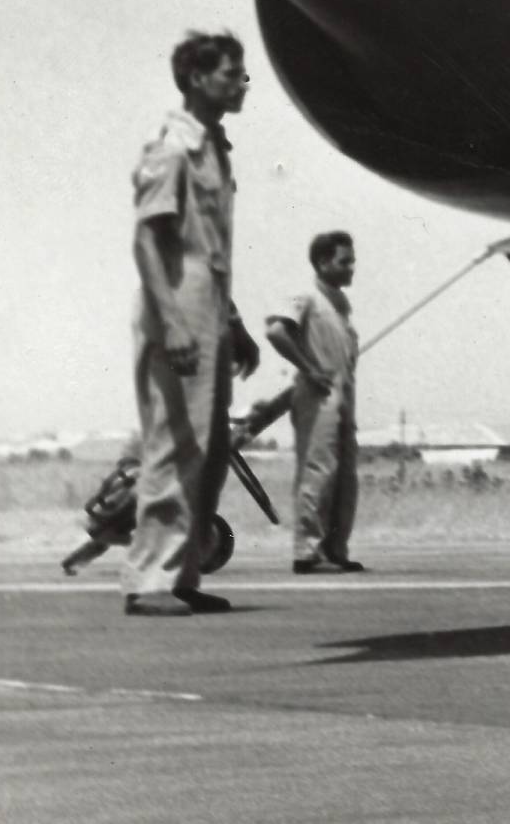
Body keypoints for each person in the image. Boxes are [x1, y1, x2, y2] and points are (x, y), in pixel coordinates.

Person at [123, 30, 260, 617]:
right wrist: (175, 323)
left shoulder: (214, 149)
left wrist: (233, 323)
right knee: (175, 443)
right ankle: (150, 582)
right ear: (198, 79)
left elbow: (210, 249)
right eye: (231, 73)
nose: (241, 83)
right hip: (176, 307)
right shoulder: (173, 146)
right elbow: (150, 241)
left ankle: (182, 576)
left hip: (210, 307)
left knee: (210, 447)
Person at [266, 230, 365, 575]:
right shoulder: (305, 296)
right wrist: (309, 369)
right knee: (318, 470)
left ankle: (335, 549)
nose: (352, 267)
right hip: (317, 394)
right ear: (323, 262)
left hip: (343, 394)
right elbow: (277, 331)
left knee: (345, 476)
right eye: (344, 261)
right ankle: (306, 550)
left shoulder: (340, 304)